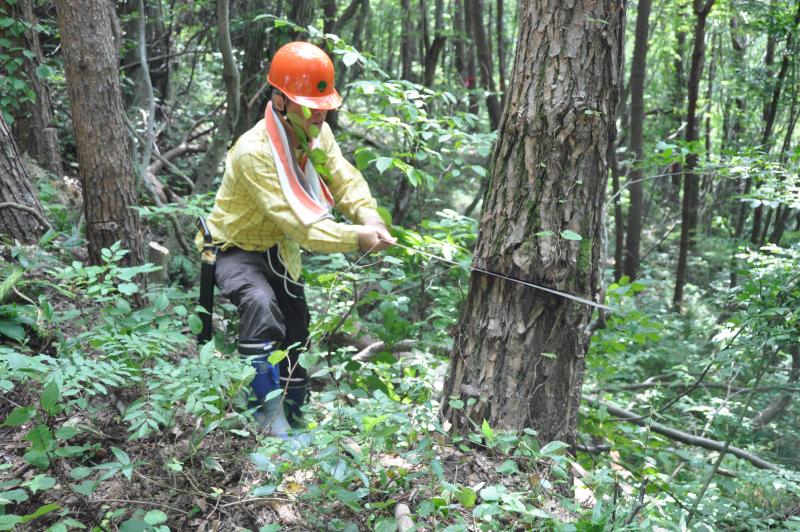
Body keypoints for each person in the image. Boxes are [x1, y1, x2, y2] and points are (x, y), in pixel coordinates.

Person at [199, 41, 394, 438]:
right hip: (234, 249)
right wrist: (357, 238)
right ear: (280, 100)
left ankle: (294, 410)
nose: (319, 114)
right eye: (310, 105)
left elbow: (343, 178)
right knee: (259, 304)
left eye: (323, 106)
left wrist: (369, 216)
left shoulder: (317, 135)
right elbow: (301, 227)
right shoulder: (254, 152)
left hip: (277, 251)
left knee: (296, 326)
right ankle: (267, 421)